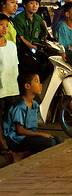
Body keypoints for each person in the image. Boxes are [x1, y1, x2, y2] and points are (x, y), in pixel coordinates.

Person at [3, 73, 61, 157]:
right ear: (27, 86)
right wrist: (40, 135)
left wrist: (40, 135)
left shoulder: (34, 104)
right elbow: (20, 131)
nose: (41, 85)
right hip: (17, 140)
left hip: (28, 136)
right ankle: (19, 154)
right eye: (37, 82)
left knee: (57, 140)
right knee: (49, 143)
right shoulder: (20, 106)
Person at [0, 13, 20, 164]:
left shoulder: (12, 45)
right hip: (0, 89)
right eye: (1, 25)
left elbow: (15, 66)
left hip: (12, 87)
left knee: (8, 117)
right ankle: (2, 144)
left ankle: (9, 142)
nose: (4, 29)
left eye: (6, 26)